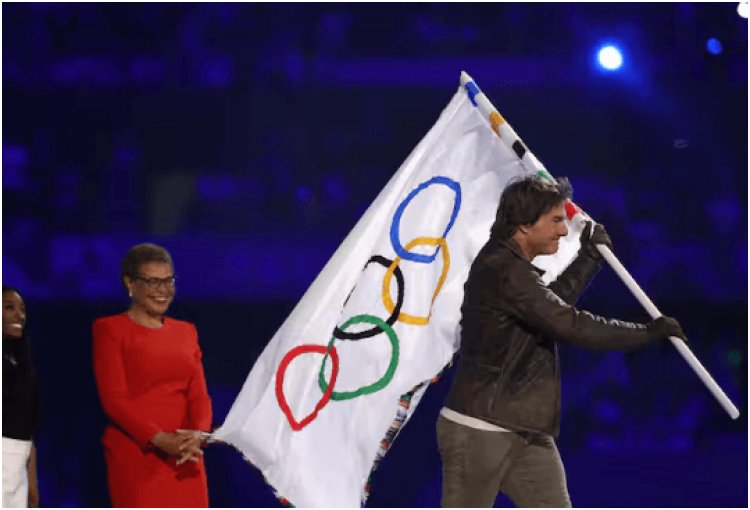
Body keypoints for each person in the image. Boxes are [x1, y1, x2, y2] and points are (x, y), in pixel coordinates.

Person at [437, 175, 687, 507]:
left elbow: (550, 308)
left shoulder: (511, 269)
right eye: (556, 220)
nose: (563, 230)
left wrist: (589, 259)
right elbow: (569, 324)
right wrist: (646, 333)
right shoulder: (503, 269)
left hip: (525, 431)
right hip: (480, 429)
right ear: (525, 225)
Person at [92, 243, 212, 507]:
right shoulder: (110, 329)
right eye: (153, 281)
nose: (163, 290)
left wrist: (198, 436)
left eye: (168, 281)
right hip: (137, 456)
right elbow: (114, 400)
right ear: (130, 284)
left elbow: (199, 395)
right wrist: (159, 440)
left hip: (186, 459)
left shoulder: (186, 331)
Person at [2, 285, 40, 508]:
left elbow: (28, 428)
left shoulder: (20, 362)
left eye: (22, 309)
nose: (20, 315)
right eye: (9, 307)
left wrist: (32, 482)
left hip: (18, 467)